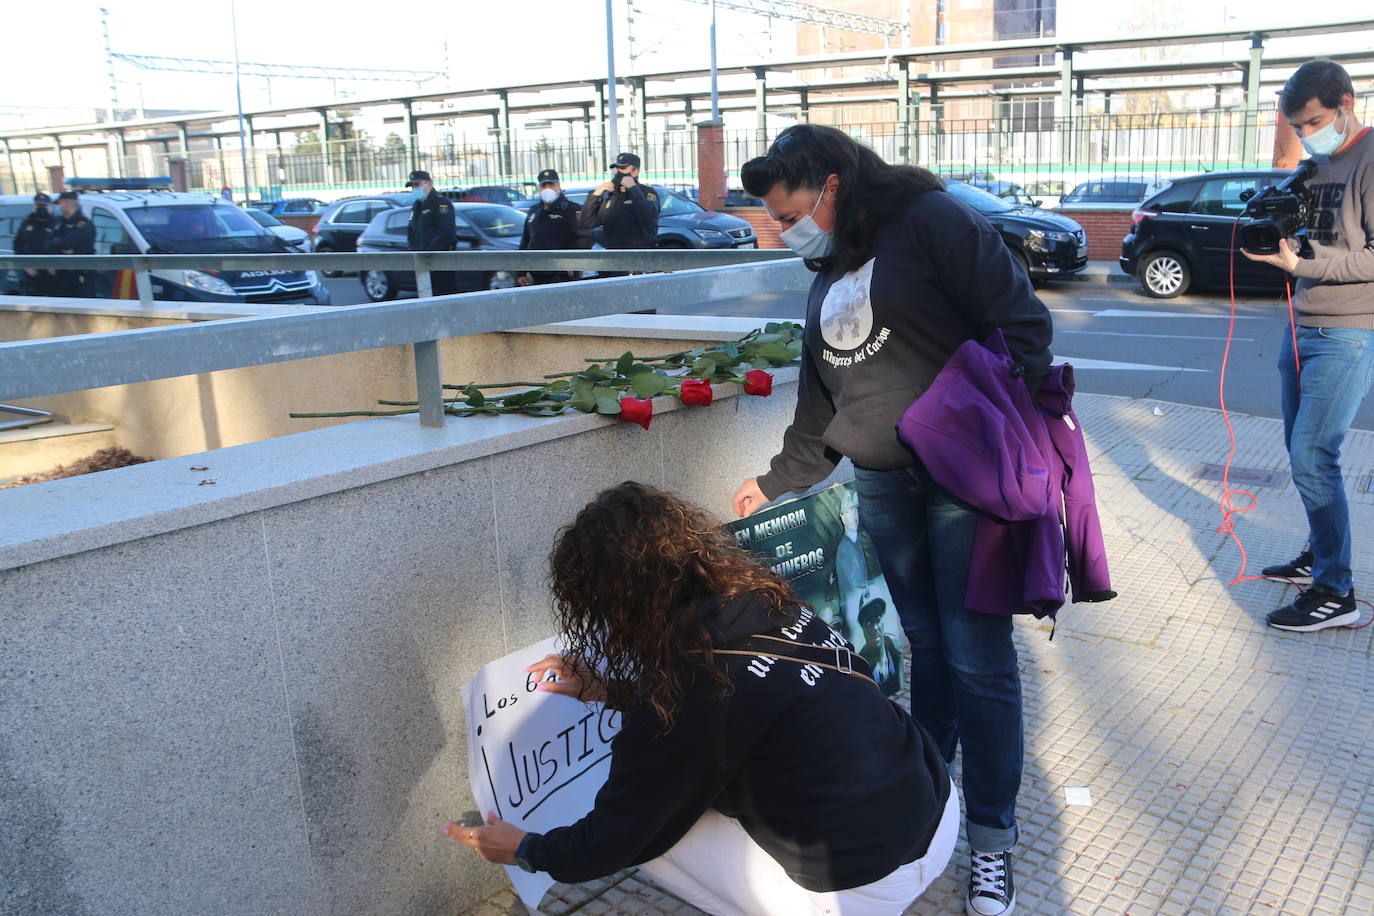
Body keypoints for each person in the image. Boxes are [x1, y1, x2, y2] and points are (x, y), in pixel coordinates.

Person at [731, 123, 1054, 916]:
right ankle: (933, 794)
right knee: (928, 649)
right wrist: (774, 483)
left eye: (789, 209)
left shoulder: (934, 223)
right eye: (774, 218)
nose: (783, 227)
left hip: (959, 481)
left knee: (979, 660)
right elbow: (822, 400)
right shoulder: (830, 264)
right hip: (881, 483)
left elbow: (1024, 327)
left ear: (834, 183)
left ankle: (990, 840)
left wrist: (970, 420)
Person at [449, 481, 958, 916]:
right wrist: (610, 691)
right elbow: (748, 703)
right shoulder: (760, 597)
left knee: (654, 836)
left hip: (867, 883)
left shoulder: (687, 692)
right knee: (680, 792)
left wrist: (527, 850)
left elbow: (615, 837)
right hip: (936, 805)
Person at [1243, 59, 1374, 633]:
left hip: (1349, 330)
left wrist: (1305, 262)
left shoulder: (1370, 158)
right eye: (1297, 126)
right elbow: (1311, 239)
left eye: (1314, 121)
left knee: (1313, 456)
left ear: (1346, 103)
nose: (1306, 133)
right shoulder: (1316, 165)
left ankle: (1335, 591)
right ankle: (1318, 555)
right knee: (1302, 453)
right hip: (1303, 324)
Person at [579, 152, 659, 277]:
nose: (619, 172)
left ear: (635, 171)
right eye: (618, 168)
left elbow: (648, 216)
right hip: (614, 262)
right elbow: (586, 222)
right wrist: (595, 195)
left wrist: (633, 188)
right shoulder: (611, 196)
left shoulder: (646, 193)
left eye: (623, 168)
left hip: (639, 263)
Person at [517, 168, 591, 287]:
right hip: (537, 274)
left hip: (562, 275)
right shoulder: (534, 211)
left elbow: (584, 238)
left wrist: (572, 261)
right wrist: (520, 272)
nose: (548, 188)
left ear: (558, 185)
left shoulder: (571, 209)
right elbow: (526, 241)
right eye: (544, 185)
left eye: (551, 184)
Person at [404, 169, 459, 296]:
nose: (414, 188)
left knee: (444, 297)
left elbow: (446, 233)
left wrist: (428, 253)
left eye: (417, 185)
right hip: (422, 263)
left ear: (428, 184)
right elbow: (412, 231)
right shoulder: (417, 205)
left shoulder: (441, 204)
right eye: (412, 186)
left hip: (440, 262)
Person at [46, 191, 95, 299]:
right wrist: (58, 244)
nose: (59, 207)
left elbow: (68, 243)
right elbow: (47, 243)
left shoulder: (84, 224)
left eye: (60, 203)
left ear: (67, 204)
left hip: (79, 273)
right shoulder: (58, 222)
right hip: (59, 274)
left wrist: (58, 243)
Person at [857, 595, 904, 696]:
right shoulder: (860, 666)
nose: (875, 627)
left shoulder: (895, 646)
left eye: (877, 618)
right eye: (868, 622)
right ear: (863, 630)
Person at [12, 193, 56, 296]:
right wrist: (25, 266)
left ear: (50, 207)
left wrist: (57, 265)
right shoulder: (27, 223)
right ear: (34, 207)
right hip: (30, 274)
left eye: (44, 206)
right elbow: (17, 245)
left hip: (53, 274)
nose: (41, 208)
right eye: (38, 206)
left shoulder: (57, 224)